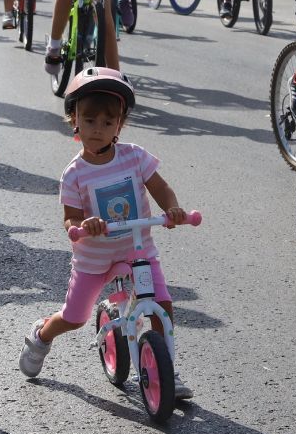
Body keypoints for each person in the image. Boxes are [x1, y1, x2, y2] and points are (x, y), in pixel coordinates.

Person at [18, 67, 193, 400]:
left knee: (162, 304)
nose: (98, 130)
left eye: (107, 123)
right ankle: (41, 334)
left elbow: (161, 187)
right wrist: (84, 226)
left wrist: (172, 208)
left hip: (137, 249)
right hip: (93, 259)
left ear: (119, 125)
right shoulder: (74, 175)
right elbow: (69, 219)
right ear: (74, 120)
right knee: (74, 317)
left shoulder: (134, 157)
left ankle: (167, 364)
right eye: (89, 121)